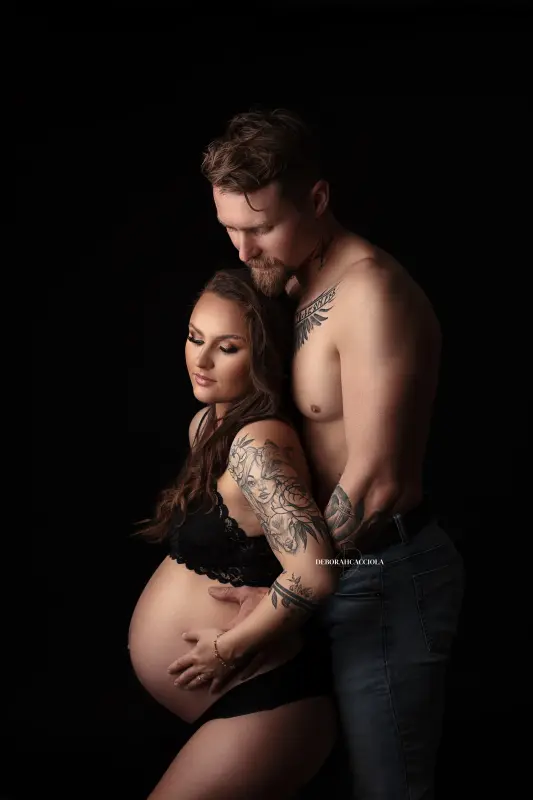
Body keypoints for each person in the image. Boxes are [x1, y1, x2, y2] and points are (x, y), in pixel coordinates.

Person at [199, 108, 466, 799]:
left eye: (259, 228)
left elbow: (377, 483)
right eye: (230, 228)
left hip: (382, 573)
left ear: (316, 198)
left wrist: (285, 600)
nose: (242, 250)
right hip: (332, 573)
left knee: (388, 787)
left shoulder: (371, 293)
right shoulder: (291, 279)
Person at [128, 266, 340, 799]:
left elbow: (316, 575)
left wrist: (227, 648)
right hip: (228, 708)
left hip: (266, 705)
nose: (200, 360)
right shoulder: (209, 425)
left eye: (227, 348)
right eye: (195, 338)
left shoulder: (257, 447)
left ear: (263, 358)